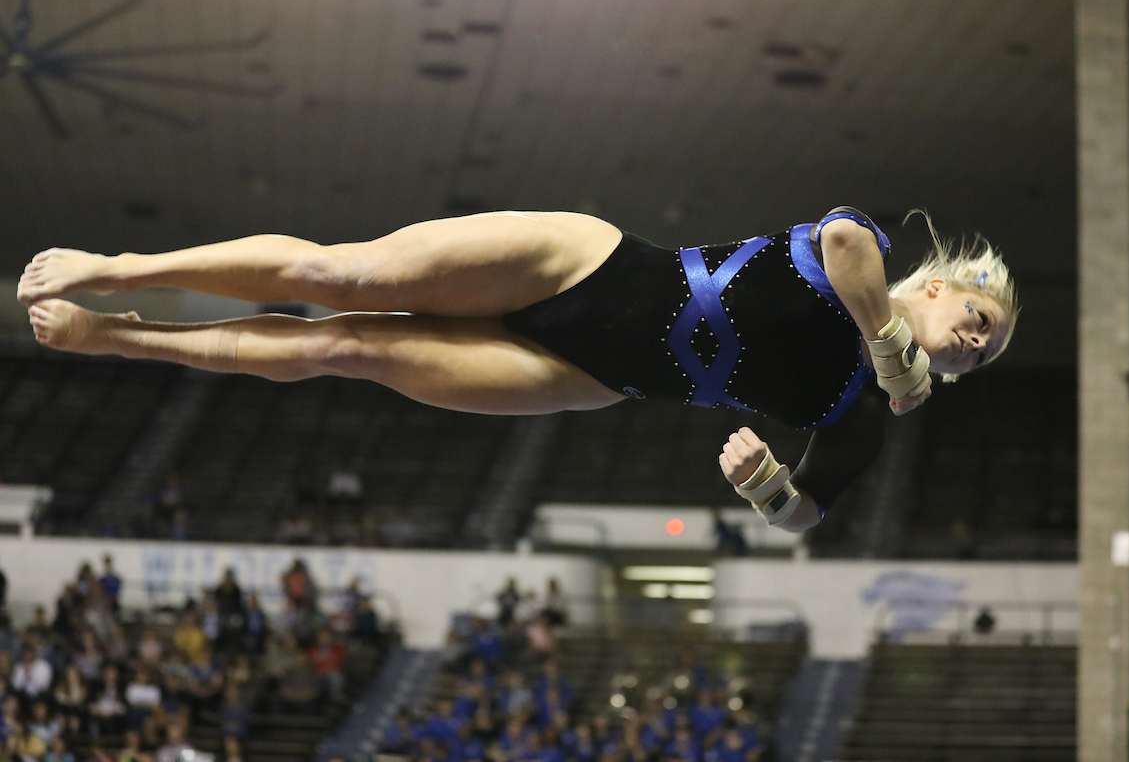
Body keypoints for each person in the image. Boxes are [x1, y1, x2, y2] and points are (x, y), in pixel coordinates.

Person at [20, 208, 1015, 532]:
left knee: (340, 347)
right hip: (588, 263)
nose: (974, 340)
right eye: (978, 319)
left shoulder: (862, 416)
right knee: (340, 276)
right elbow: (841, 239)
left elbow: (806, 517)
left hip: (583, 372)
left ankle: (124, 337)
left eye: (988, 349)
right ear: (938, 289)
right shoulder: (870, 264)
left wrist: (765, 487)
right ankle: (120, 266)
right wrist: (892, 352)